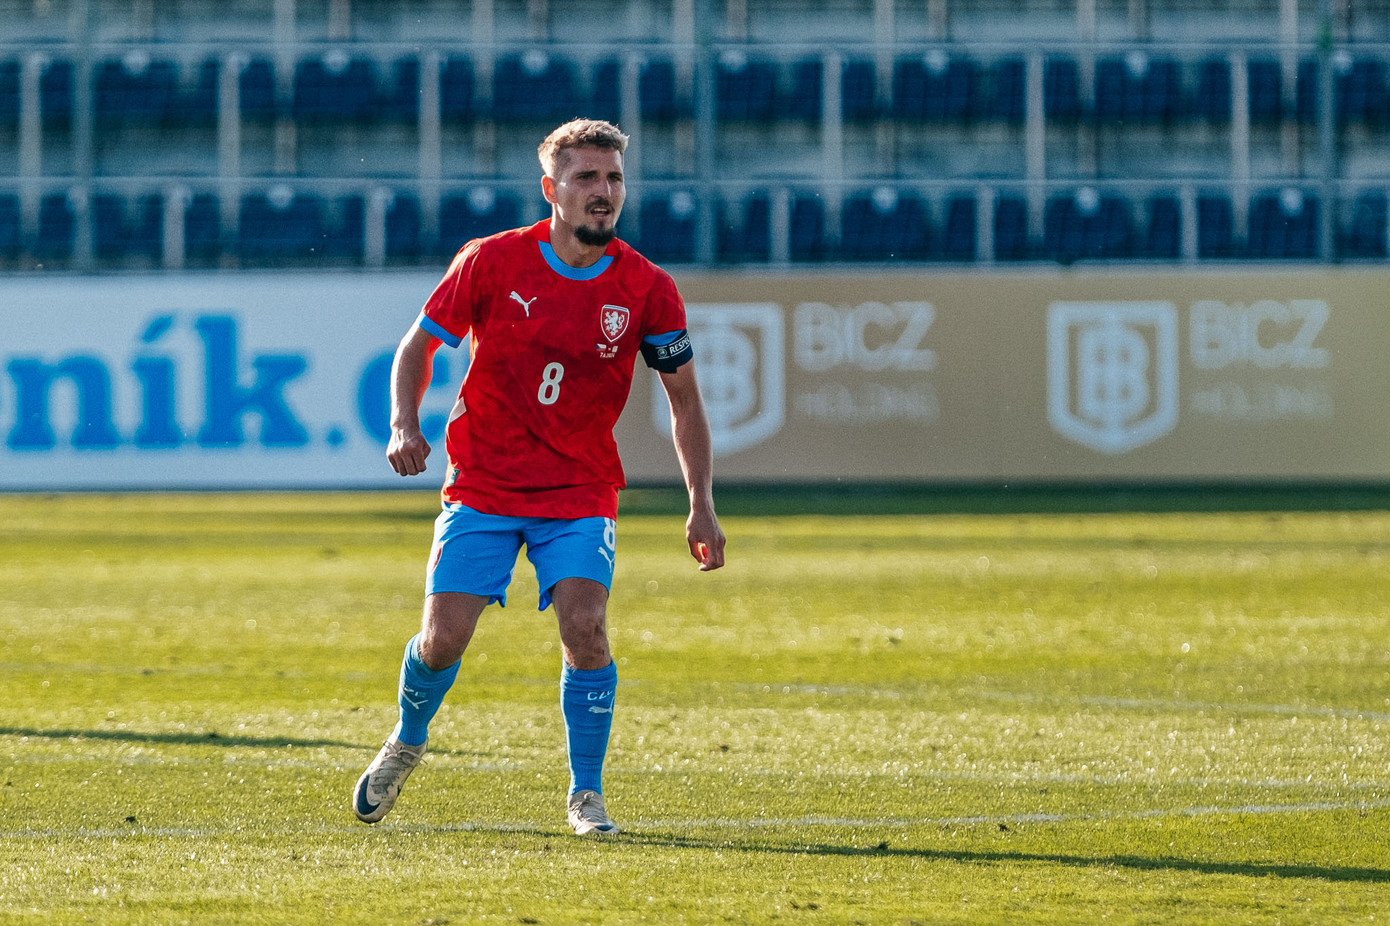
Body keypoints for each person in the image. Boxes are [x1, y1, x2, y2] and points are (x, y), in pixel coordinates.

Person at [352, 118, 726, 837]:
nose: (604, 192)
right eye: (587, 178)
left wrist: (700, 504)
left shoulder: (647, 287)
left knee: (586, 627)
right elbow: (417, 346)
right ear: (550, 189)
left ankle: (586, 795)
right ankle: (406, 739)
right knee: (443, 638)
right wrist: (404, 424)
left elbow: (685, 400)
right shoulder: (491, 262)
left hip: (580, 489)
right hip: (484, 483)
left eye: (614, 178)